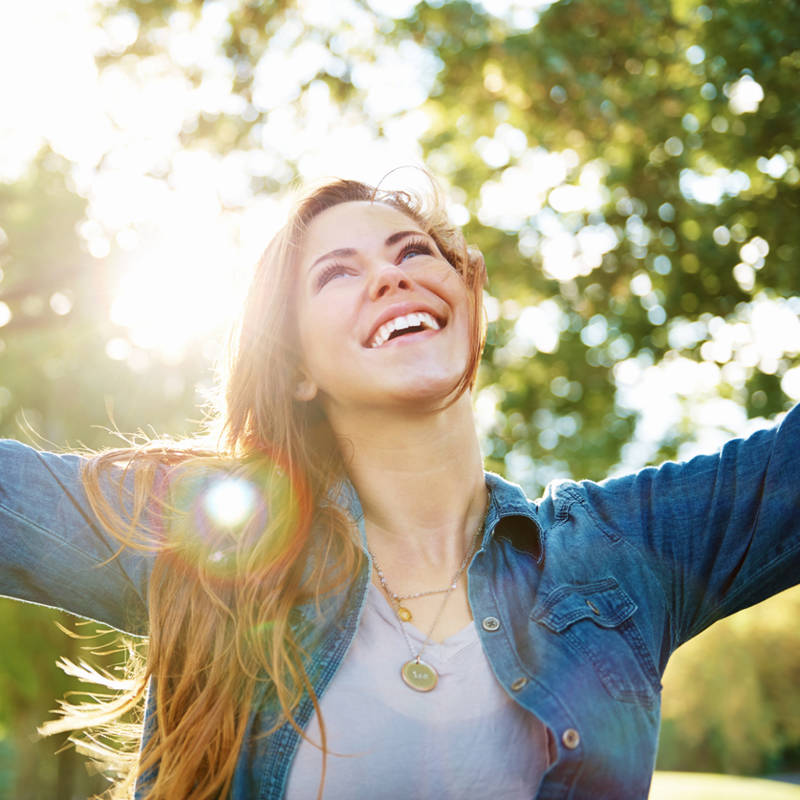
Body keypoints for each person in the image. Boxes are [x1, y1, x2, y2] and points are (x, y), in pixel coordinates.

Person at [0, 176, 798, 800]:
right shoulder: (208, 540)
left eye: (415, 253)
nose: (392, 277)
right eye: (338, 274)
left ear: (466, 298)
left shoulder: (620, 553)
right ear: (299, 370)